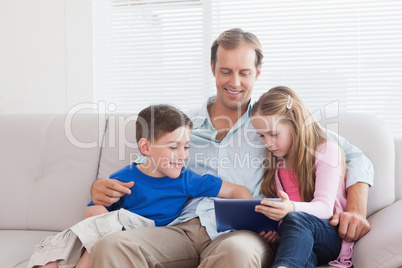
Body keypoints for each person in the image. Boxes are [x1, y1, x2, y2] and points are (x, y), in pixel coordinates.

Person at [89, 28, 373, 267]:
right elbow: (145, 166)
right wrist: (101, 190)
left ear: (258, 72)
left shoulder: (271, 123)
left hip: (244, 233)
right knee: (111, 246)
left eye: (244, 73)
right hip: (181, 227)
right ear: (213, 68)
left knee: (236, 254)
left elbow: (353, 156)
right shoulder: (185, 125)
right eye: (226, 71)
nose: (235, 82)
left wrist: (357, 211)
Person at [27, 104, 252, 268]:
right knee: (62, 246)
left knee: (102, 233)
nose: (183, 156)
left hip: (152, 233)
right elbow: (93, 214)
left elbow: (235, 191)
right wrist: (97, 207)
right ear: (145, 147)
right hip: (116, 231)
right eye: (174, 147)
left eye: (186, 147)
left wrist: (250, 215)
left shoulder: (186, 180)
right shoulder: (125, 179)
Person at [251, 86, 354, 267]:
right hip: (298, 238)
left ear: (295, 125)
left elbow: (325, 208)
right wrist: (275, 227)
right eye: (262, 136)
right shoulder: (278, 162)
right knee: (302, 251)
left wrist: (289, 209)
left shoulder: (326, 150)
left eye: (274, 134)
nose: (267, 143)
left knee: (296, 218)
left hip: (329, 233)